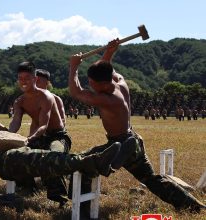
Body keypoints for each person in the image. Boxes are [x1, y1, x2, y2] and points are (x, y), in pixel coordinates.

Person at [68, 39, 205, 212]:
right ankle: (191, 205)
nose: (90, 84)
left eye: (91, 82)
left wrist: (73, 66)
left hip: (120, 144)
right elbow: (106, 66)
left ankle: (82, 209)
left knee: (83, 163)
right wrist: (110, 52)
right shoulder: (120, 83)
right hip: (132, 140)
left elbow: (76, 92)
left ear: (102, 84)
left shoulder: (108, 100)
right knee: (151, 179)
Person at [0, 107, 123, 191]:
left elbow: (6, 135)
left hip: (9, 155)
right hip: (3, 161)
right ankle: (92, 162)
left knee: (48, 158)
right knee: (45, 160)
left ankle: (97, 158)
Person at [7, 62, 71, 205]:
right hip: (40, 136)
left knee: (54, 155)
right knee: (16, 154)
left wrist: (29, 139)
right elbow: (15, 122)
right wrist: (8, 136)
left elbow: (43, 125)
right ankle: (28, 187)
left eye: (27, 78)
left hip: (57, 136)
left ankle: (59, 196)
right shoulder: (19, 101)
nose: (23, 81)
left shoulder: (46, 96)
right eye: (20, 78)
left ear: (35, 79)